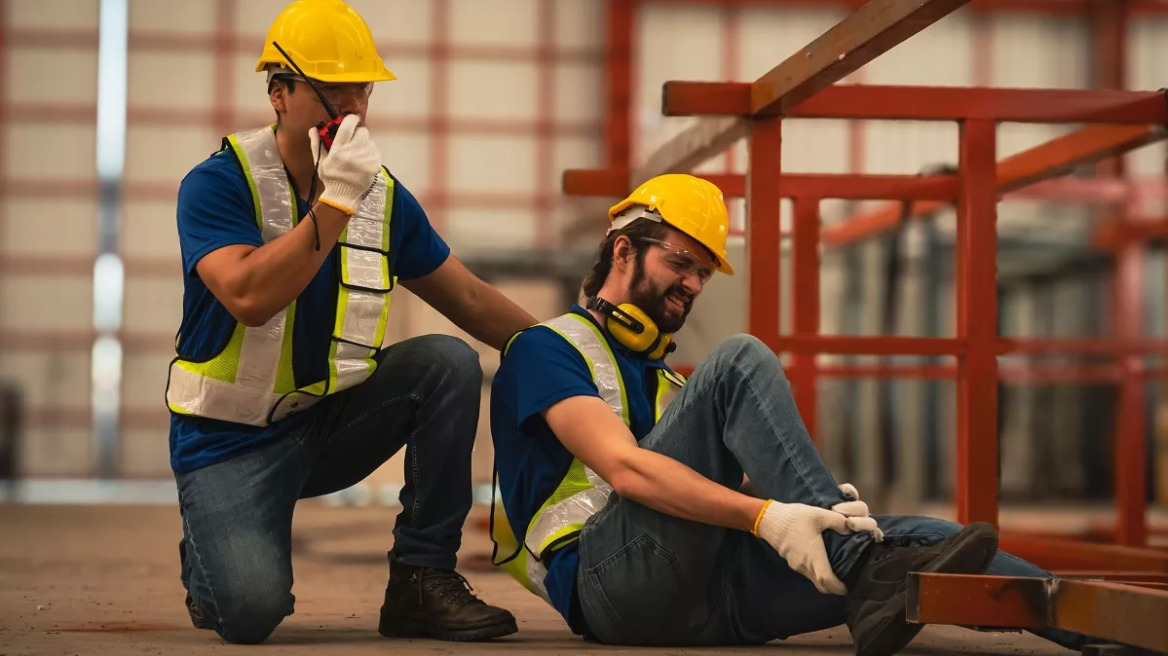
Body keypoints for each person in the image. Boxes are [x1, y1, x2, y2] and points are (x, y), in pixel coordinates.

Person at [487, 174, 1088, 655]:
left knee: (934, 539)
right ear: (624, 249)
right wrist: (768, 517)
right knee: (739, 359)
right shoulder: (548, 349)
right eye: (681, 262)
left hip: (709, 597)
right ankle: (857, 564)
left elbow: (702, 490)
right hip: (613, 588)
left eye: (702, 272)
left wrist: (813, 509)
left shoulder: (662, 379)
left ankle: (1103, 631)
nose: (694, 283)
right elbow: (627, 471)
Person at [168, 0, 535, 645]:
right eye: (330, 88)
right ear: (279, 95)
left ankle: (421, 579)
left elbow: (471, 301)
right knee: (250, 613)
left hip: (326, 425)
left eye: (361, 88)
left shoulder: (380, 195)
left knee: (446, 363)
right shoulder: (217, 185)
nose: (352, 109)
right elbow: (249, 297)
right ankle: (212, 543)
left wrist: (580, 355)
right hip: (228, 443)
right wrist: (334, 201)